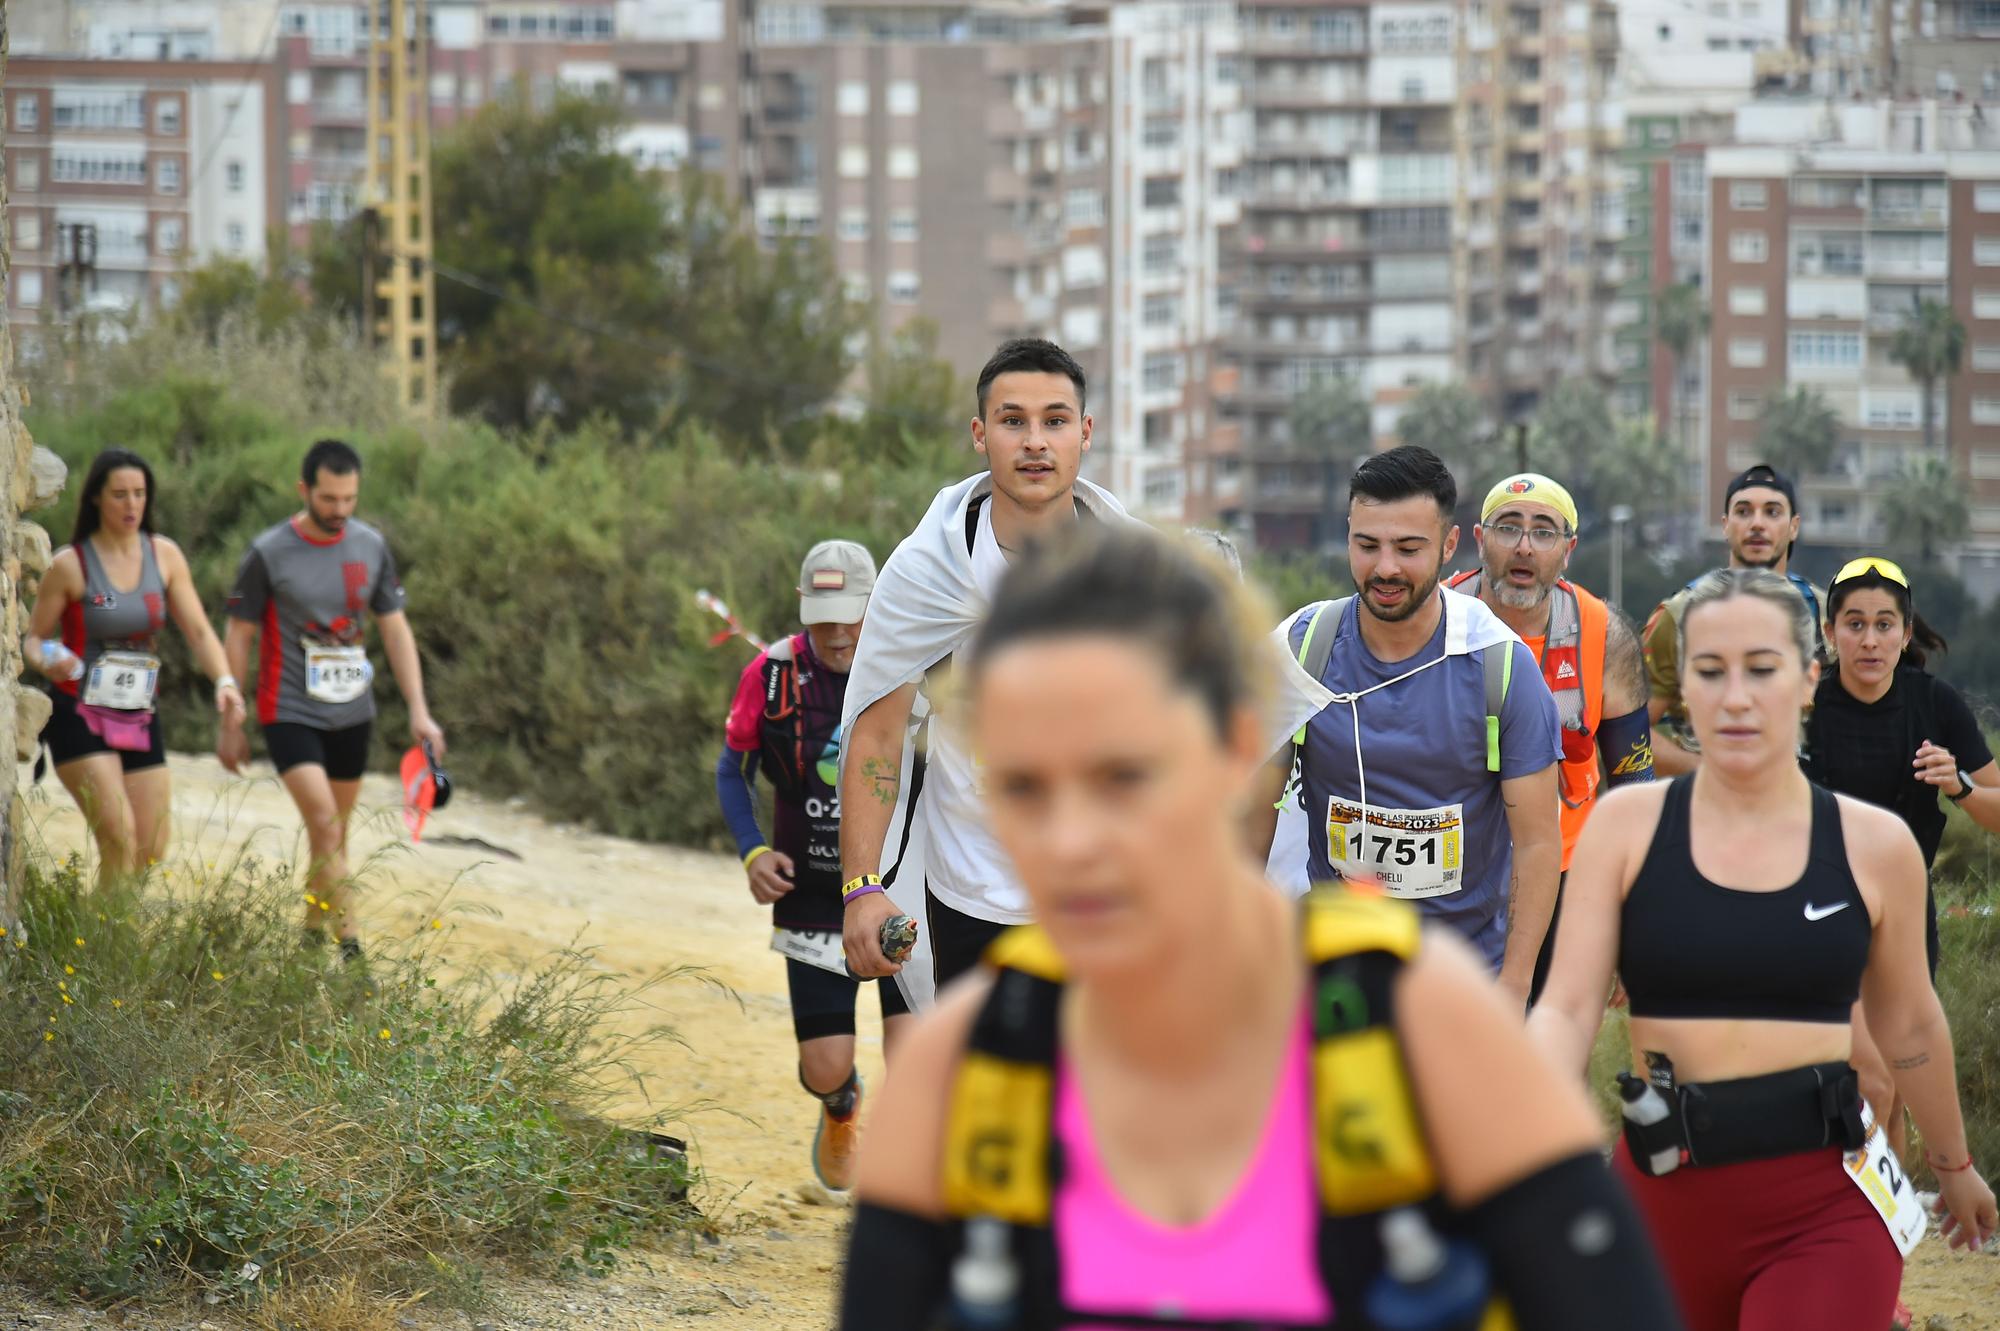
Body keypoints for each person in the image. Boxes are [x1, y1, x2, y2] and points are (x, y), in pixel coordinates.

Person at [840, 526, 1683, 1331]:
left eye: (1122, 775)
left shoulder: (1422, 1026)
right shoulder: (964, 1072)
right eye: (1023, 785)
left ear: (1238, 743)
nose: (1070, 842)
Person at [1530, 568, 1997, 1331]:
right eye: (1710, 671)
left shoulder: (1875, 846)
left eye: (1763, 668)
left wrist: (1954, 1166)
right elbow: (1568, 1007)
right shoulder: (1626, 827)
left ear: (1809, 678)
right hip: (1658, 1198)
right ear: (1682, 687)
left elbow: (1911, 1023)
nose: (1736, 696)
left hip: (1825, 1212)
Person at [839, 338, 1132, 1007]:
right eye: (1012, 421)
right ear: (980, 434)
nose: (1035, 441)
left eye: (1055, 420)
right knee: (985, 1105)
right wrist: (861, 887)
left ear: (1085, 434)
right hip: (973, 891)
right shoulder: (926, 572)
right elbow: (878, 735)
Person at [1252, 445, 1564, 1008]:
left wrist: (1515, 986)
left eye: (1408, 548)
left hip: (1463, 984)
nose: (1386, 568)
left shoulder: (1501, 667)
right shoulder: (1303, 648)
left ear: (1449, 546)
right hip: (1334, 980)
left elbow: (1539, 842)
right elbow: (1250, 816)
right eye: (1367, 545)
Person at [715, 539, 912, 1204]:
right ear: (804, 610)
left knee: (916, 1060)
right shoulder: (770, 675)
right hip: (812, 897)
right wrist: (751, 848)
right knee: (824, 1066)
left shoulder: (913, 663)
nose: (838, 632)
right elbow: (731, 767)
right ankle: (842, 1105)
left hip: (897, 892)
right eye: (824, 616)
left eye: (852, 615)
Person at [1802, 555, 2000, 1164]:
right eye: (1854, 624)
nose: (1869, 639)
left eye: (1884, 624)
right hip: (1816, 906)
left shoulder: (1935, 704)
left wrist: (1960, 786)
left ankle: (1884, 1219)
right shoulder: (1807, 704)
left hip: (1905, 913)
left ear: (1906, 633)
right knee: (1855, 1075)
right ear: (1830, 632)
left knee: (1890, 1079)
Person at [217, 440, 445, 961]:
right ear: (304, 491)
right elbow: (239, 633)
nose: (339, 510)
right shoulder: (268, 553)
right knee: (323, 824)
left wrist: (419, 709)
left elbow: (394, 628)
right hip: (289, 709)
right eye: (328, 499)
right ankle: (353, 954)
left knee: (333, 839)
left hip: (352, 712)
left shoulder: (371, 546)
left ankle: (305, 946)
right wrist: (231, 716)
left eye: (349, 499)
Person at [1445, 473, 1654, 1000]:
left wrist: (1636, 925)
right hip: (1451, 870)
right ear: (1478, 538)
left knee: (1551, 1050)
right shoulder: (1431, 616)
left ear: (1568, 550)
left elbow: (1636, 792)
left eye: (1543, 532)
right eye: (1507, 528)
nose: (1523, 546)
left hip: (1562, 873)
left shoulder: (1604, 634)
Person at [22, 448, 245, 881]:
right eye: (120, 494)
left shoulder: (164, 556)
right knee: (119, 839)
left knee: (150, 846)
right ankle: (95, 947)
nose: (131, 505)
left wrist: (225, 682)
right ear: (96, 500)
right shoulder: (70, 566)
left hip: (139, 713)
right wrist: (51, 658)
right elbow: (33, 640)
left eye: (140, 494)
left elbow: (199, 631)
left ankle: (105, 937)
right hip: (79, 712)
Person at [1644, 463, 1826, 776]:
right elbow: (1630, 732)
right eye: (1744, 512)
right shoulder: (1680, 614)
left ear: (1794, 526)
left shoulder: (1825, 614)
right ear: (1725, 525)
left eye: (1772, 512)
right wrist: (1714, 772)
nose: (1757, 524)